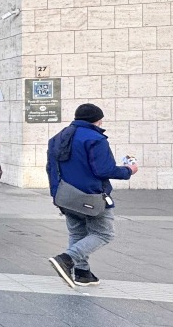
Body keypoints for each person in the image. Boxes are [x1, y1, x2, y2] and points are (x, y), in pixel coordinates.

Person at [46, 103, 137, 287]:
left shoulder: (58, 137)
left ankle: (82, 273)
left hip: (65, 195)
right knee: (104, 234)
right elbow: (104, 170)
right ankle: (66, 259)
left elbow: (50, 168)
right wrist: (129, 170)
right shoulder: (96, 138)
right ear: (97, 120)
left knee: (77, 232)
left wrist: (56, 195)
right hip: (92, 196)